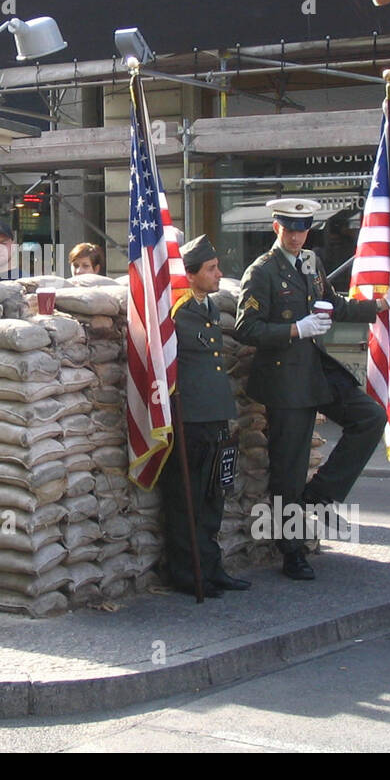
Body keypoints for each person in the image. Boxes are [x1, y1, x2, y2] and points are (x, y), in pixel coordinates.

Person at [235, 198, 388, 581]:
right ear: (276, 229)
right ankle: (290, 551)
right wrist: (294, 329)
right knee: (288, 469)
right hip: (285, 379)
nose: (297, 236)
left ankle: (320, 496)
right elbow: (245, 329)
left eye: (303, 230)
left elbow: (330, 303)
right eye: (290, 230)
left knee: (370, 417)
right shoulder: (262, 272)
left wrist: (378, 307)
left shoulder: (310, 262)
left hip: (317, 369)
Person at [157, 235, 251, 598]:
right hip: (189, 417)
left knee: (213, 495)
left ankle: (212, 567)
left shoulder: (210, 308)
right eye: (211, 269)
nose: (218, 274)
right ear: (191, 274)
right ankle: (188, 572)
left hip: (213, 415)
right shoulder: (177, 312)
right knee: (188, 498)